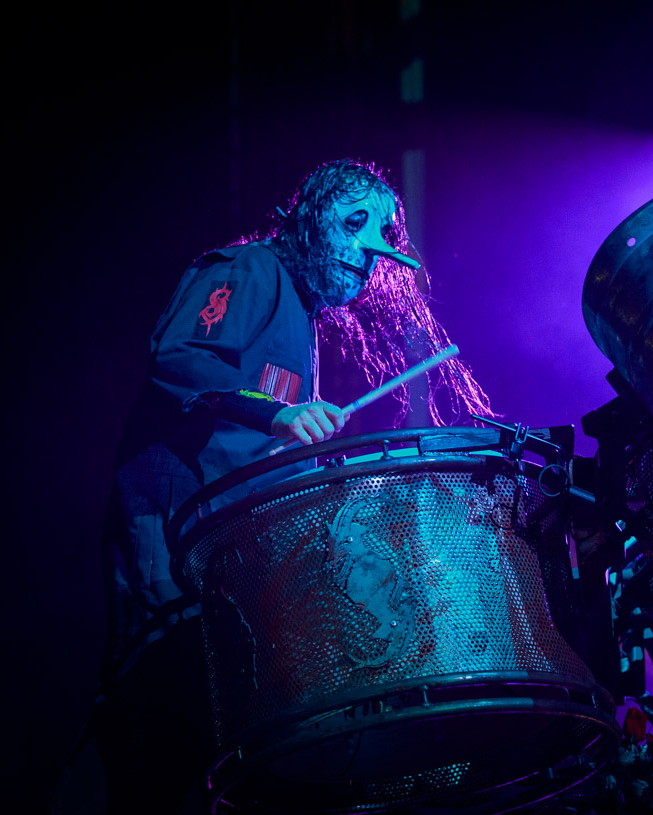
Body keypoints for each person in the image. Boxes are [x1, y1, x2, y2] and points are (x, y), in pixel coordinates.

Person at [54, 158, 491, 814]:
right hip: (170, 524)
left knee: (203, 721)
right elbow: (179, 356)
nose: (372, 251)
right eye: (355, 223)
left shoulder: (303, 318)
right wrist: (278, 413)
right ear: (312, 217)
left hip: (214, 546)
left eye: (383, 237)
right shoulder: (253, 268)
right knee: (151, 693)